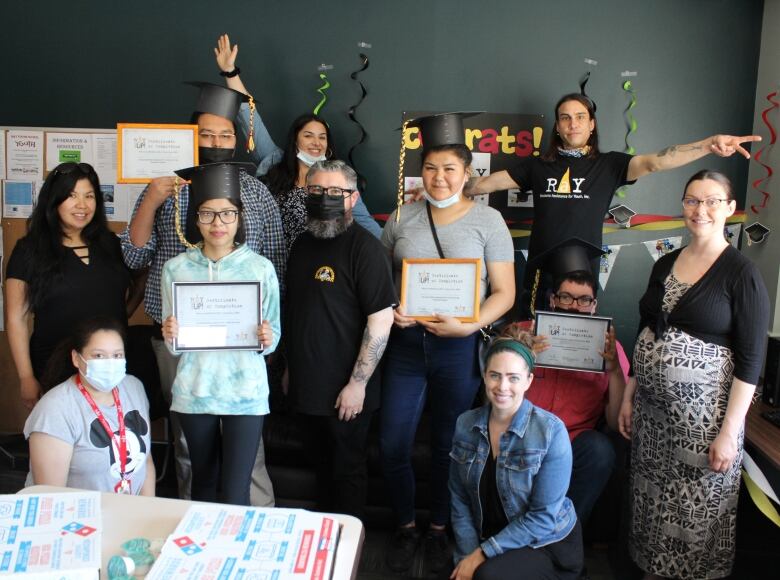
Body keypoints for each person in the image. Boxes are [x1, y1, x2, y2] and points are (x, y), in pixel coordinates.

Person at [120, 82, 283, 504]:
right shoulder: (166, 187)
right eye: (206, 134)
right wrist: (153, 199)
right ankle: (198, 523)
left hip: (243, 350)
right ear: (191, 136)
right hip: (180, 345)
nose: (215, 142)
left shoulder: (257, 194)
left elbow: (276, 264)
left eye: (224, 134)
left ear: (236, 139)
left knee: (249, 456)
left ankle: (252, 519)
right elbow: (134, 258)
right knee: (191, 449)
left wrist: (267, 333)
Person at [463, 92, 761, 314]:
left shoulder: (610, 165)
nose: (573, 123)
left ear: (591, 124)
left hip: (585, 275)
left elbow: (658, 161)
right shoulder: (538, 167)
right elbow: (484, 184)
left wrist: (708, 144)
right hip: (541, 272)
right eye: (565, 117)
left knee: (576, 351)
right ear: (557, 126)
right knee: (533, 346)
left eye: (580, 117)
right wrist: (439, 189)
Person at [380, 113, 516, 573]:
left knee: (448, 445)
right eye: (431, 169)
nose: (440, 178)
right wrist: (392, 308)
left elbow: (505, 293)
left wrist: (468, 326)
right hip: (404, 346)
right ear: (422, 172)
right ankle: (403, 527)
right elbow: (381, 281)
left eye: (450, 169)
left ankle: (439, 529)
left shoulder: (488, 220)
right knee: (393, 442)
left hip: (458, 348)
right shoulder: (401, 216)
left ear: (467, 173)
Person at [618, 170, 769, 580]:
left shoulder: (741, 273)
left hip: (704, 423)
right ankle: (654, 571)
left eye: (711, 201)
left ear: (729, 208)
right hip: (653, 417)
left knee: (695, 513)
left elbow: (753, 360)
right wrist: (630, 393)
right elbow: (646, 327)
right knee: (651, 505)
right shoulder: (666, 262)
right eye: (691, 200)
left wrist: (729, 432)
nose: (700, 209)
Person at [161, 162, 280, 506]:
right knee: (201, 483)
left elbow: (275, 335)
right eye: (208, 214)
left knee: (235, 490)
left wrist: (266, 337)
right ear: (195, 218)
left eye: (227, 214)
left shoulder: (260, 268)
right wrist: (170, 333)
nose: (218, 224)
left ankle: (235, 555)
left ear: (239, 217)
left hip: (246, 392)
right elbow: (174, 348)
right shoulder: (177, 269)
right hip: (195, 391)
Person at [284, 159, 395, 519]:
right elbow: (297, 312)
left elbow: (380, 322)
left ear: (353, 198)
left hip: (347, 392)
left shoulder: (367, 249)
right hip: (305, 387)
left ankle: (348, 556)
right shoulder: (300, 244)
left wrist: (357, 384)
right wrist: (289, 369)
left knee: (347, 474)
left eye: (335, 192)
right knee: (321, 472)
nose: (325, 197)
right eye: (316, 190)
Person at [213, 33, 381, 251]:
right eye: (308, 135)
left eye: (322, 137)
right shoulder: (274, 161)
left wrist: (395, 247)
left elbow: (364, 221)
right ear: (295, 140)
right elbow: (248, 116)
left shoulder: (338, 178)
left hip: (321, 266)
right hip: (275, 264)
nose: (316, 142)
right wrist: (230, 72)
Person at [448, 332, 582, 580]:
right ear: (485, 375)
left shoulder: (551, 431)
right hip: (491, 538)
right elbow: (460, 499)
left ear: (528, 381)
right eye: (495, 375)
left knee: (487, 575)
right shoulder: (465, 425)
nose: (502, 387)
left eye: (513, 378)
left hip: (546, 543)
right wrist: (466, 556)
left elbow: (542, 519)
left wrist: (480, 555)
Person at [508, 251, 629, 526]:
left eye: (584, 300)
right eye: (566, 297)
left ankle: (565, 535)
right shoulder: (522, 332)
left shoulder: (611, 349)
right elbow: (497, 390)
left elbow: (613, 421)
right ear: (552, 300)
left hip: (573, 441)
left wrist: (613, 370)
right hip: (522, 433)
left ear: (594, 306)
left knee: (601, 450)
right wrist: (524, 355)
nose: (574, 306)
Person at [7, 162, 131, 409]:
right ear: (54, 201)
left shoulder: (111, 245)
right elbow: (16, 319)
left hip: (109, 366)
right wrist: (26, 377)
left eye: (89, 196)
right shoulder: (29, 250)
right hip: (53, 365)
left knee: (109, 437)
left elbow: (132, 286)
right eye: (72, 196)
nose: (82, 205)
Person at [24, 317, 155, 496]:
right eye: (99, 355)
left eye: (117, 355)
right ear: (76, 358)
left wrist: (148, 509)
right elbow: (51, 496)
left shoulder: (134, 388)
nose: (110, 363)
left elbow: (146, 461)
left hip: (129, 514)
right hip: (79, 519)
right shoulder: (55, 409)